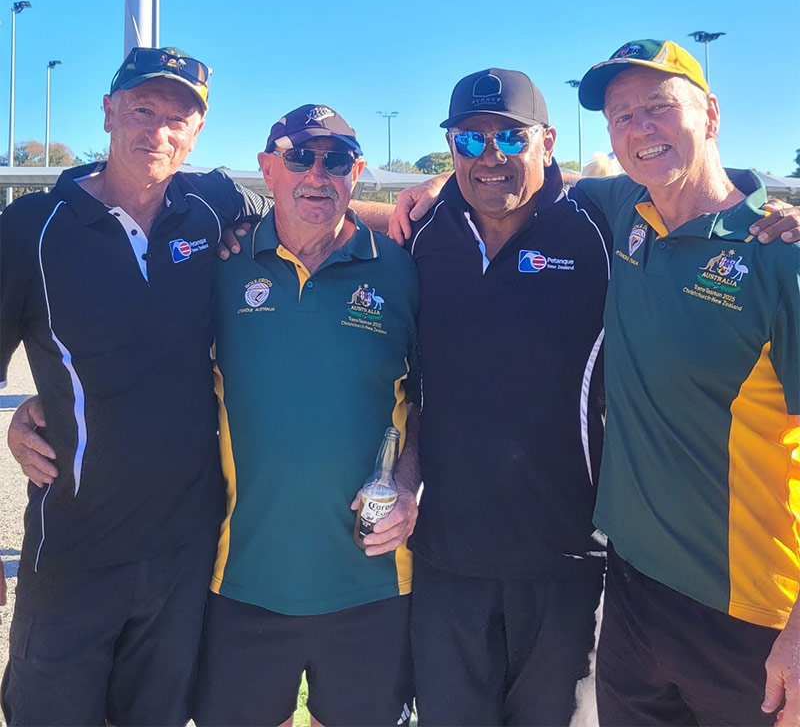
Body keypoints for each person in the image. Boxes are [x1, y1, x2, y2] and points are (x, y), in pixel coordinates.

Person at [0, 49, 392, 726]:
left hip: (185, 559)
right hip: (71, 554)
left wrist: (425, 202)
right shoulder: (33, 228)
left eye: (178, 118)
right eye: (143, 111)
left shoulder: (209, 206)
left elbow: (314, 208)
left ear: (198, 131)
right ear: (108, 111)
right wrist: (30, 414)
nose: (158, 132)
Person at [573, 39, 800, 727]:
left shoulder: (778, 258)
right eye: (621, 116)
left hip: (753, 613)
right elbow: (514, 186)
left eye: (659, 107)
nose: (640, 129)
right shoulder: (622, 212)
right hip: (634, 591)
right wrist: (430, 189)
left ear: (711, 115)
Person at [192, 105, 420, 727]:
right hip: (243, 575)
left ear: (359, 172)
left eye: (337, 159)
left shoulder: (403, 269)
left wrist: (407, 482)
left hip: (371, 578)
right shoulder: (220, 263)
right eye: (299, 157)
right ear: (268, 168)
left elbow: (433, 395)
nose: (317, 173)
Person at [398, 68, 611, 726]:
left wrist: (772, 214)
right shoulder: (428, 235)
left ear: (547, 140)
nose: (490, 157)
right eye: (469, 139)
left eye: (511, 139)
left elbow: (707, 188)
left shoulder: (597, 225)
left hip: (567, 559)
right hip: (446, 559)